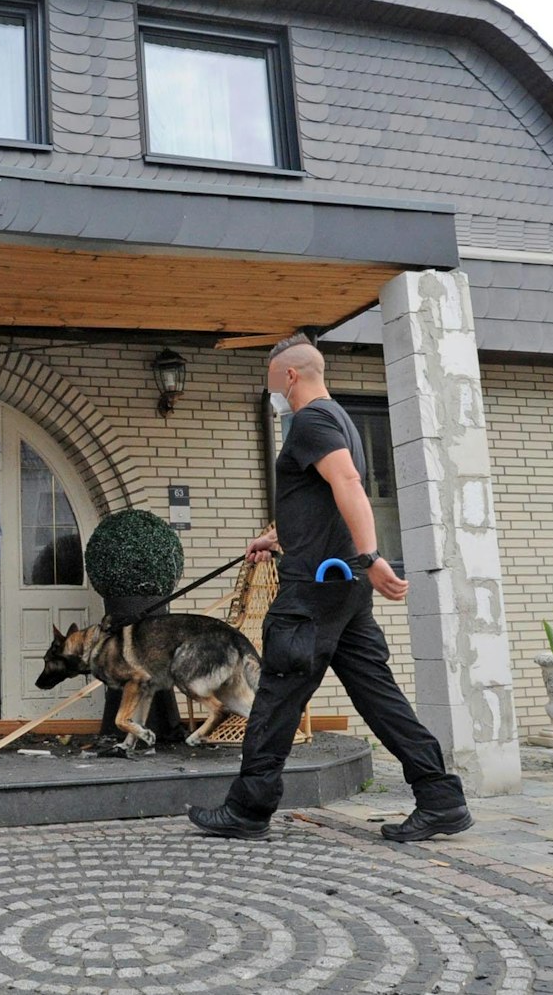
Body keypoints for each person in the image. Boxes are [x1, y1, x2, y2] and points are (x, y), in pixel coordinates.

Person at [188, 334, 470, 842]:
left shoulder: (312, 420)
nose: (271, 387)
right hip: (342, 589)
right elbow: (321, 498)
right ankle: (440, 796)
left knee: (275, 699)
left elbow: (347, 485)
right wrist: (275, 537)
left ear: (290, 376)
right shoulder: (339, 419)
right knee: (379, 696)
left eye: (273, 378)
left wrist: (372, 556)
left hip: (314, 591)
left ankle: (248, 809)